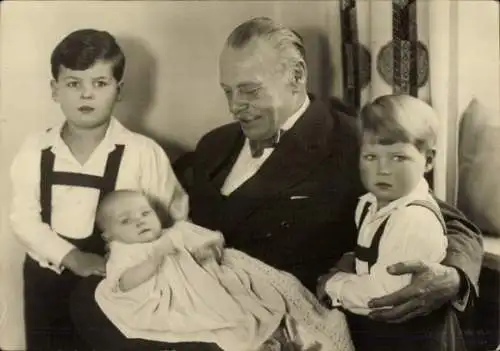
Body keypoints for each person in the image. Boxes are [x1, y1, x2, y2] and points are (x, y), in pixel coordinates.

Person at [72, 17, 483, 350]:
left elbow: (448, 220)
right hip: (201, 299)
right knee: (85, 300)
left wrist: (453, 277)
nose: (235, 107)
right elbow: (156, 210)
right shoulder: (215, 144)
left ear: (296, 76)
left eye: (249, 90)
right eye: (228, 92)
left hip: (282, 318)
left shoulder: (353, 140)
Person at [9, 29, 188, 351]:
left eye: (100, 83)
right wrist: (73, 257)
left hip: (117, 288)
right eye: (74, 83)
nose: (86, 95)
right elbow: (23, 219)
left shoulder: (142, 152)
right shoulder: (35, 148)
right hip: (45, 284)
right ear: (55, 90)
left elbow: (173, 218)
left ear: (118, 91)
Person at [94, 189, 353, 351]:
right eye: (126, 221)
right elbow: (124, 283)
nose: (140, 221)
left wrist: (206, 250)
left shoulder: (176, 232)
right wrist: (154, 258)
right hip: (174, 299)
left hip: (207, 284)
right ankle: (261, 344)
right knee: (227, 325)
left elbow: (212, 241)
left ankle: (281, 336)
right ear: (109, 236)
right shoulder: (124, 252)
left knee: (251, 301)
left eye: (145, 213)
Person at [317, 94, 467, 350]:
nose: (382, 169)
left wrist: (332, 285)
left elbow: (384, 296)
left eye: (398, 158)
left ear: (428, 160)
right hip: (380, 329)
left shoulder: (413, 218)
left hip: (414, 339)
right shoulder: (370, 203)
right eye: (370, 157)